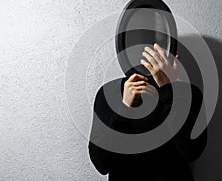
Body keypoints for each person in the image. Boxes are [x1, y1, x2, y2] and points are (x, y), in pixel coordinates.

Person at [88, 43, 207, 181]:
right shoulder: (109, 93)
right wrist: (125, 108)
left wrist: (168, 89)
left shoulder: (189, 94)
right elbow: (101, 164)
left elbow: (191, 152)